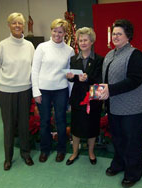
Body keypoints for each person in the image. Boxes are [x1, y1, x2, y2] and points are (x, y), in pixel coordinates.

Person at [99, 19, 142, 187]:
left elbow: (134, 80)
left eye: (119, 34)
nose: (115, 37)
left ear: (128, 36)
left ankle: (133, 173)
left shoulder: (136, 55)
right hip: (115, 107)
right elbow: (106, 79)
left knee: (132, 141)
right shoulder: (110, 54)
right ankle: (119, 164)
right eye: (113, 33)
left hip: (133, 108)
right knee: (118, 138)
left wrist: (110, 89)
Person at [0, 12, 35, 171]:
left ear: (23, 26)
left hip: (25, 90)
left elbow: (33, 67)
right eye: (14, 23)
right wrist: (4, 83)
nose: (17, 26)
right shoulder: (2, 46)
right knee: (9, 126)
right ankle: (8, 158)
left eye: (20, 23)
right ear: (9, 25)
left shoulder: (29, 46)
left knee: (24, 124)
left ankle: (25, 153)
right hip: (6, 92)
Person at [31, 18, 74, 163]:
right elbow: (35, 70)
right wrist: (35, 92)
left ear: (65, 33)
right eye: (55, 30)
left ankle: (61, 149)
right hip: (43, 90)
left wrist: (71, 94)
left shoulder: (69, 50)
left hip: (61, 90)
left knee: (61, 121)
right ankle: (45, 149)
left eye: (60, 31)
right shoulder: (42, 47)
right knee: (44, 122)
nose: (57, 34)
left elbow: (69, 74)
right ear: (51, 31)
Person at [65, 27, 103, 166]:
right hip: (77, 98)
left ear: (91, 41)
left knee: (92, 127)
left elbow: (100, 78)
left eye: (86, 40)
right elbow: (72, 79)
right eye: (80, 40)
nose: (83, 42)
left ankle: (91, 153)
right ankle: (74, 153)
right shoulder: (73, 59)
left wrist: (87, 78)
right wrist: (70, 77)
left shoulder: (99, 59)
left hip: (93, 99)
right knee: (76, 127)